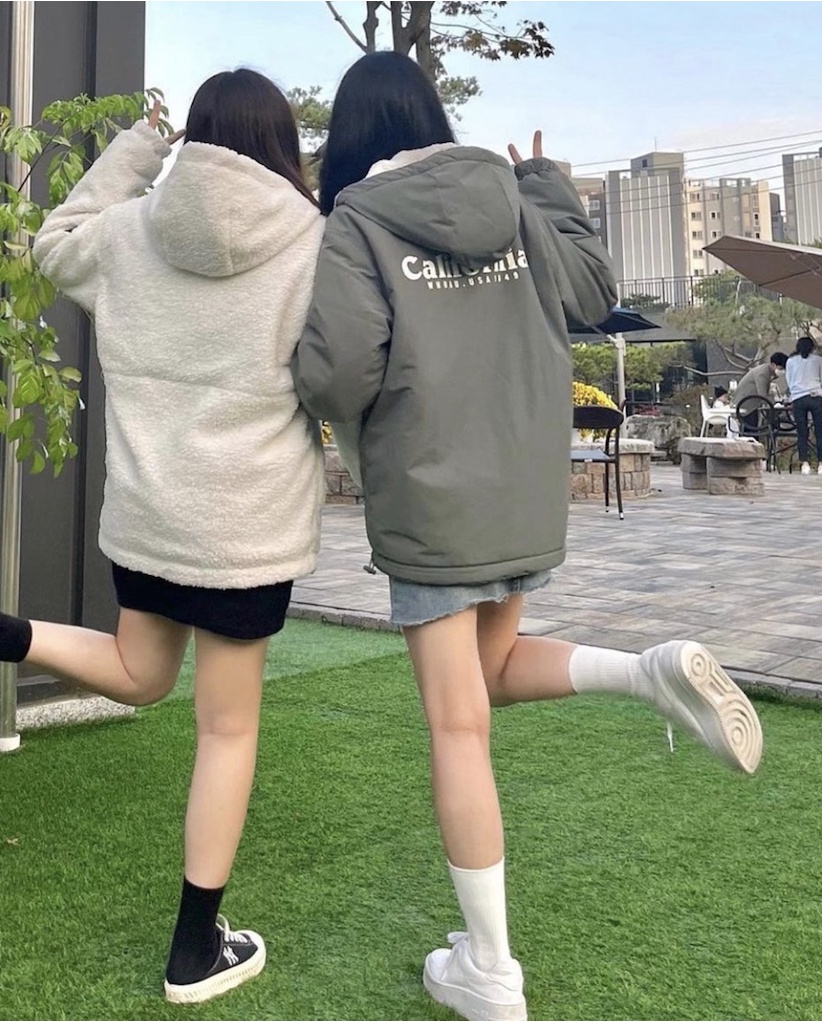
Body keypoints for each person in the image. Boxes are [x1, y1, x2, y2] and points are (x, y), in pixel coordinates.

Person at [291, 51, 763, 1022]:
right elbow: (592, 293)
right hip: (522, 489)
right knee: (491, 672)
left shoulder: (357, 220)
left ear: (351, 135)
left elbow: (335, 375)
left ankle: (490, 970)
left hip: (430, 496)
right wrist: (544, 183)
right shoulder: (513, 198)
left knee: (457, 725)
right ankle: (646, 673)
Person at [0, 70, 325, 1004]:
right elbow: (340, 371)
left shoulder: (131, 233)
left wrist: (136, 150)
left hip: (150, 512)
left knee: (143, 672)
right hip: (248, 523)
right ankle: (194, 948)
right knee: (227, 730)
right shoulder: (314, 240)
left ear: (195, 139)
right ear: (282, 146)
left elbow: (50, 243)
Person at [784, 335, 822, 474]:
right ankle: (821, 464)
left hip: (798, 398)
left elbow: (789, 380)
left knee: (802, 432)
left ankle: (804, 463)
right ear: (812, 347)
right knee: (820, 431)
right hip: (815, 396)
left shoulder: (790, 361)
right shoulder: (818, 360)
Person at [733, 352, 788, 436]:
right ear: (773, 365)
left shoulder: (769, 372)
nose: (782, 371)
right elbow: (763, 396)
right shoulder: (762, 373)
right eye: (781, 368)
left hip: (752, 404)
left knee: (754, 430)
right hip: (746, 405)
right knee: (750, 432)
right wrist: (776, 402)